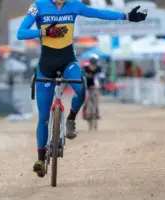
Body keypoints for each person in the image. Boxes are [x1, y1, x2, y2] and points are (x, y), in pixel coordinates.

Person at [17, 0, 147, 178]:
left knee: (81, 87)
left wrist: (126, 16)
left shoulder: (74, 5)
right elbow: (20, 33)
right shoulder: (38, 5)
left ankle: (71, 118)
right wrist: (44, 31)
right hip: (46, 64)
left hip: (68, 61)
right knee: (44, 117)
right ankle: (40, 159)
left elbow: (98, 13)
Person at [82, 54, 103, 119]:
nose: (93, 66)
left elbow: (101, 77)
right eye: (92, 64)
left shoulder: (99, 68)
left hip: (94, 85)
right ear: (90, 63)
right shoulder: (85, 68)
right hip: (86, 85)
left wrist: (101, 85)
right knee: (86, 98)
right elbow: (81, 77)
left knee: (97, 97)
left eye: (94, 64)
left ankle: (96, 111)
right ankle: (84, 111)